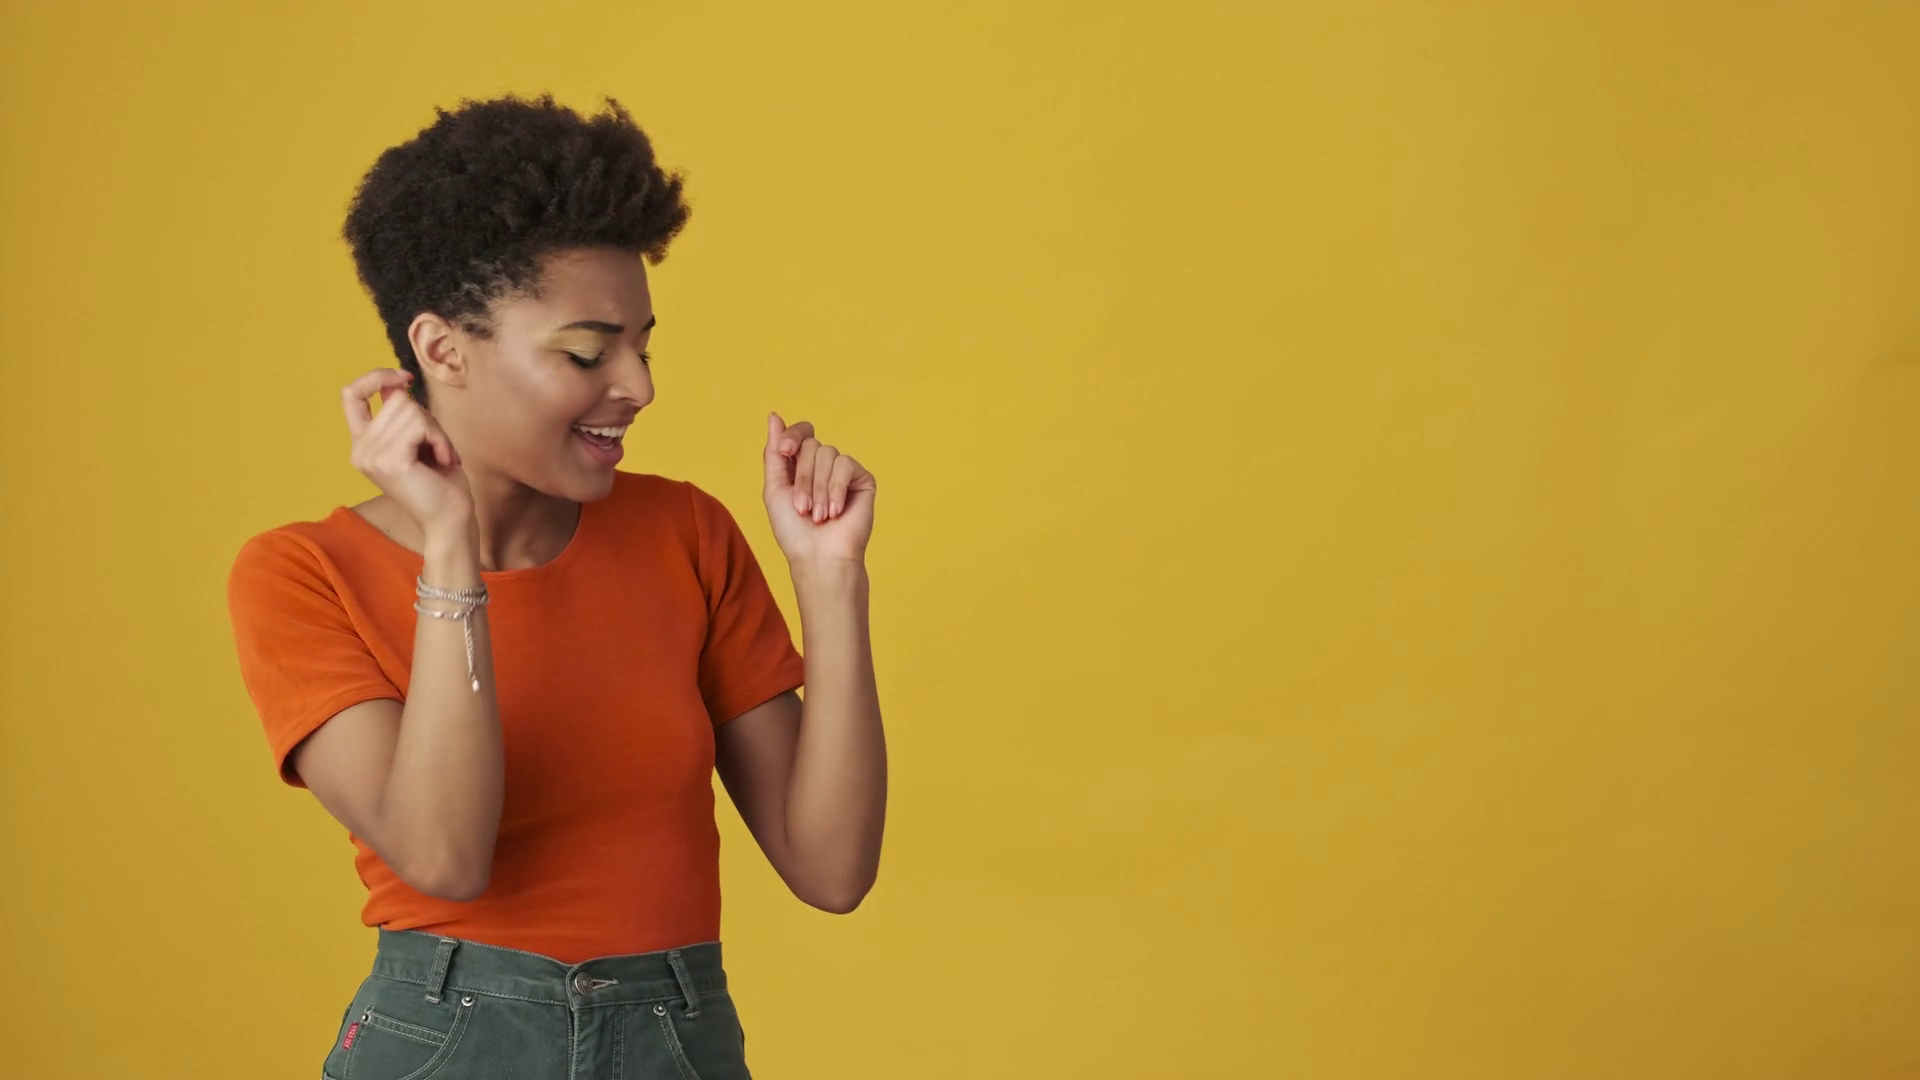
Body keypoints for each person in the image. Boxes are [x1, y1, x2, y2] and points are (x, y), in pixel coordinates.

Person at [225, 94, 886, 1080]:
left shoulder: (684, 534)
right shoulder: (302, 573)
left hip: (675, 1039)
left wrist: (830, 580)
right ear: (443, 350)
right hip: (448, 1043)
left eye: (642, 345)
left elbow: (831, 870)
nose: (638, 386)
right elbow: (445, 857)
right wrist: (451, 545)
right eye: (586, 351)